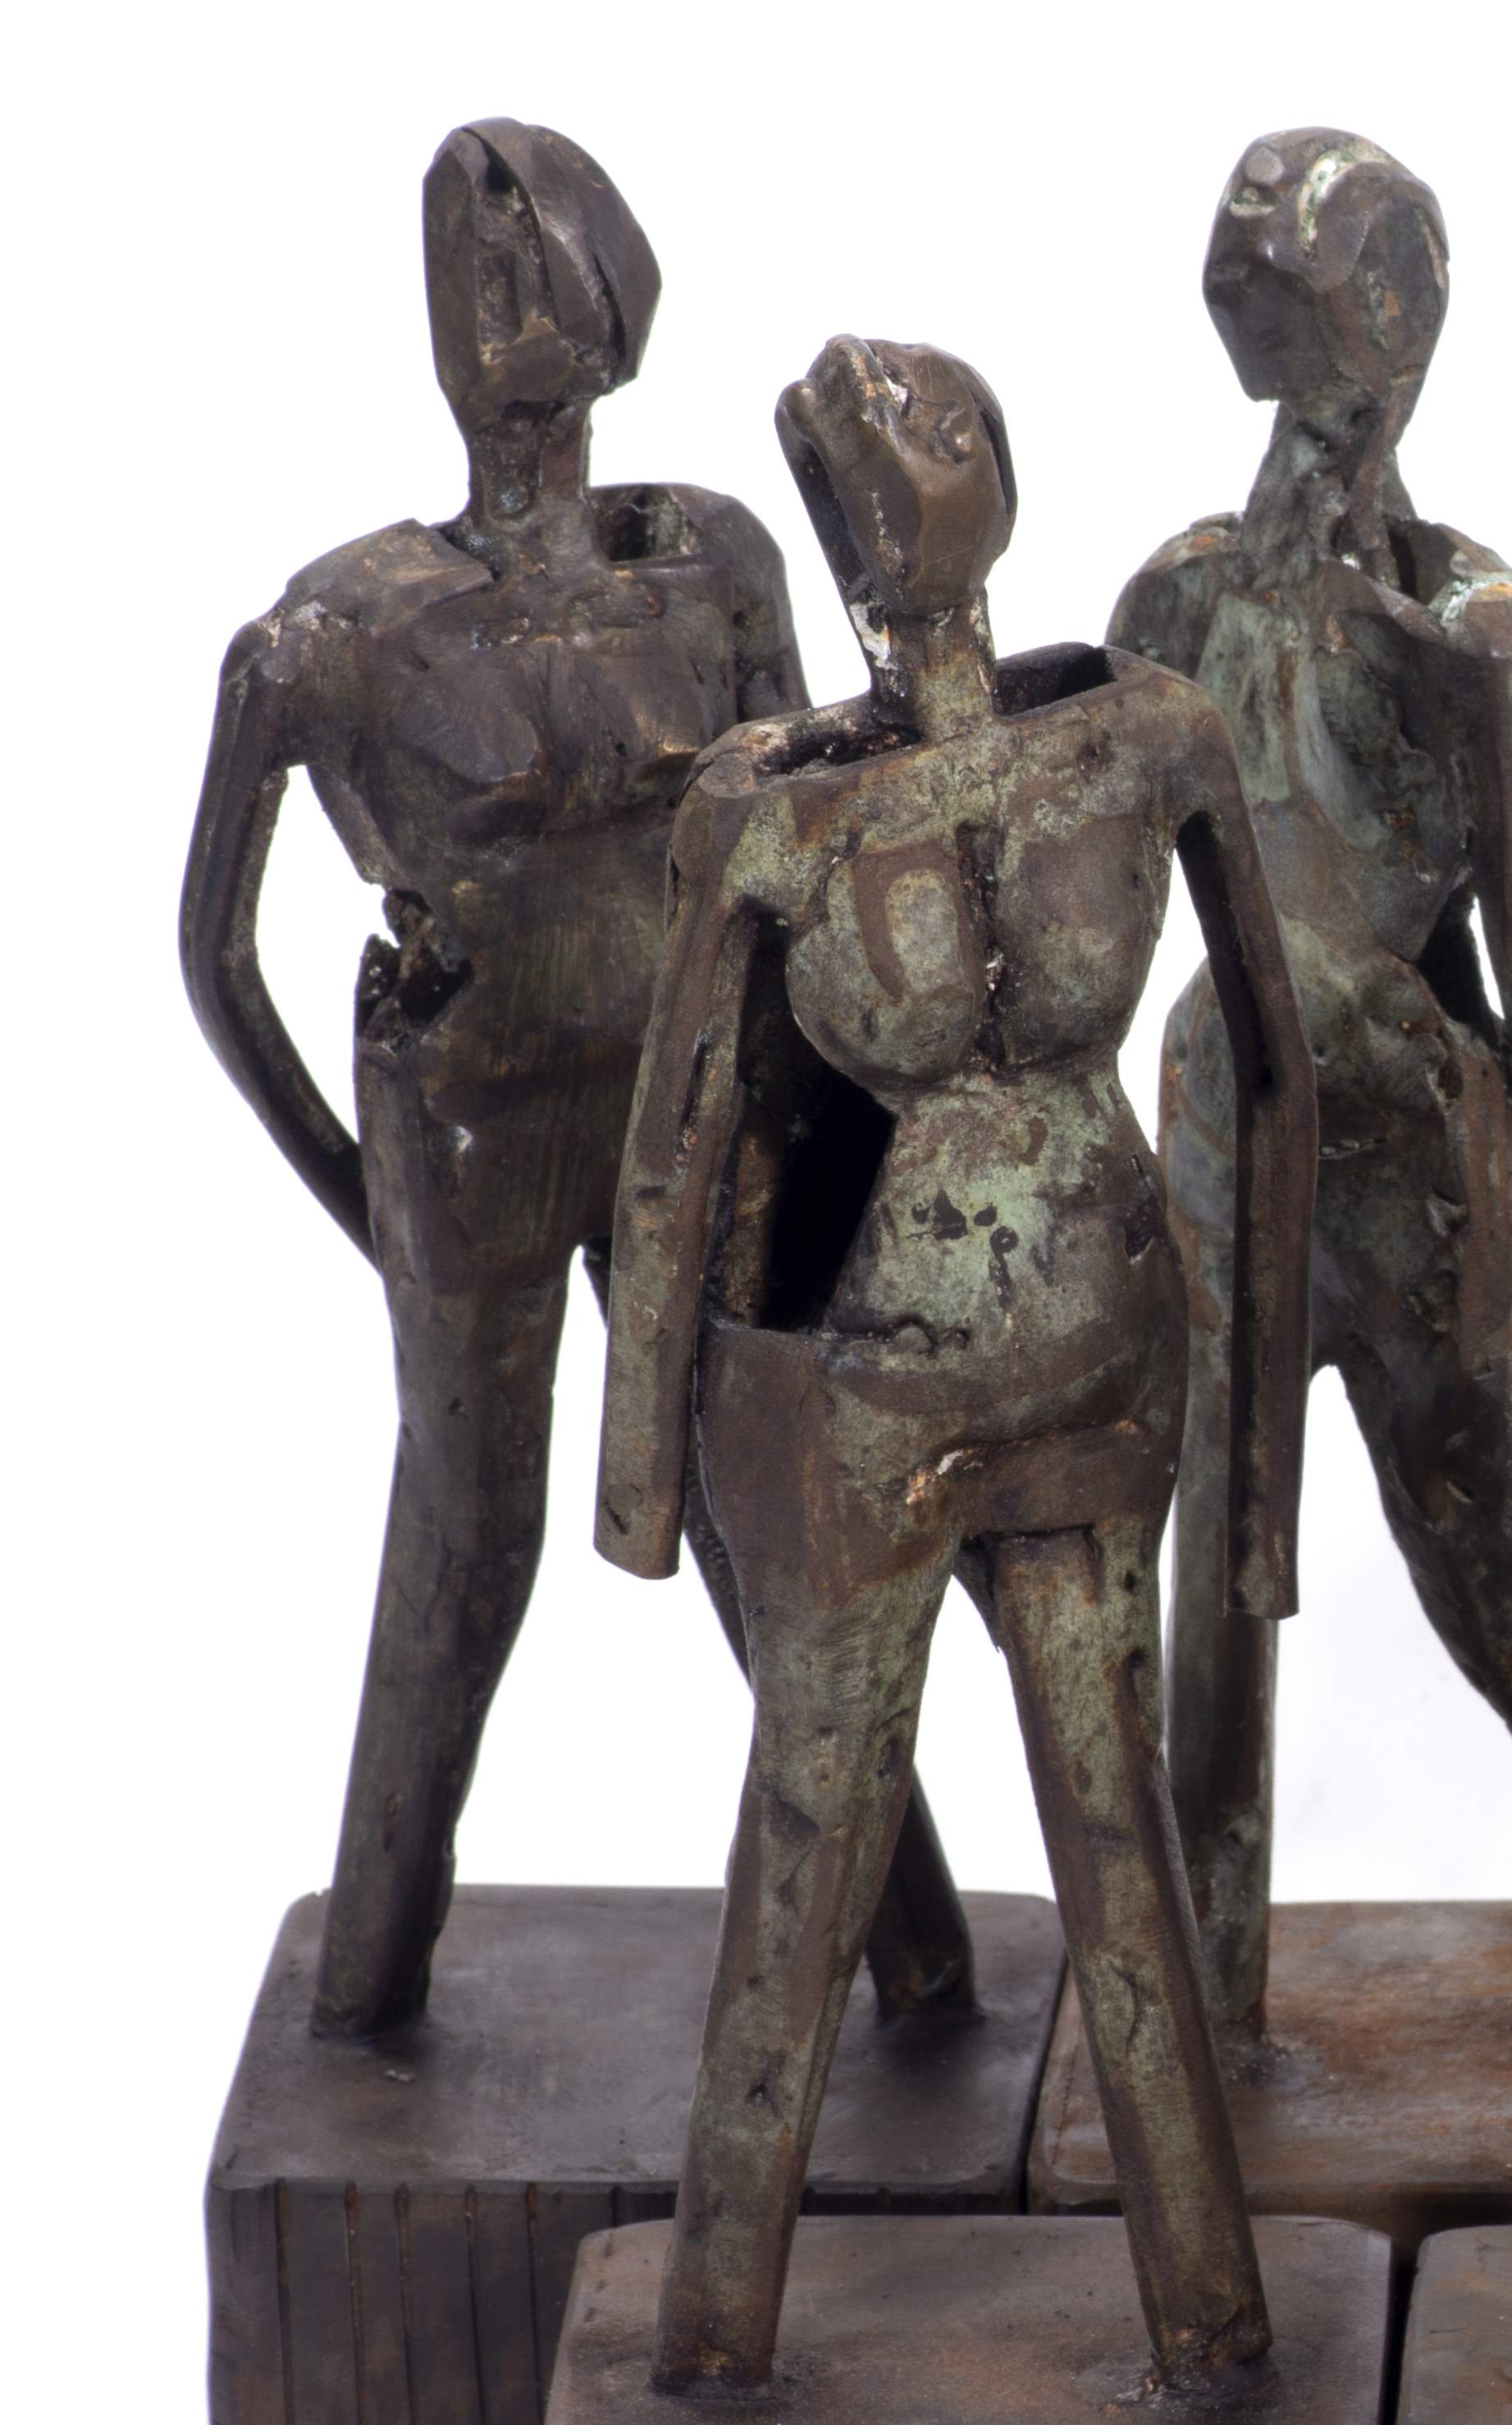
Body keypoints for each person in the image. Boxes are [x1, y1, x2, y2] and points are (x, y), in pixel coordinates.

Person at [184, 121, 970, 2038]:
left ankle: (923, 1957)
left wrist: (827, 1122)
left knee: (759, 1509)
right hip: (467, 1137)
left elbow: (814, 843)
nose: (506, 312)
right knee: (469, 1541)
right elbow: (216, 958)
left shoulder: (708, 564)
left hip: (686, 1100)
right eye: (475, 278)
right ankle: (370, 1976)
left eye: (536, 272)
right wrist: (365, 1198)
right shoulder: (333, 632)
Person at [594, 338, 1319, 2399]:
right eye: (881, 465)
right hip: (879, 1389)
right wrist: (643, 1486)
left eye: (943, 441)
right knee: (814, 1826)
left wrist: (1262, 1470)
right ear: (835, 536)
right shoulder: (772, 815)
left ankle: (1208, 2332)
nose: (921, 484)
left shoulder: (1148, 734)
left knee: (1113, 1832)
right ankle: (715, 2338)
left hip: (1099, 1354)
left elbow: (1278, 1079)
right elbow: (675, 1154)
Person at [1110, 130, 1512, 2030]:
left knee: (1488, 1568)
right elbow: (1099, 903)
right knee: (1205, 1597)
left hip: (1411, 1146)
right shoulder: (1179, 601)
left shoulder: (1478, 633)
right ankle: (1206, 2026)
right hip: (1219, 1123)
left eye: (1318, 292)